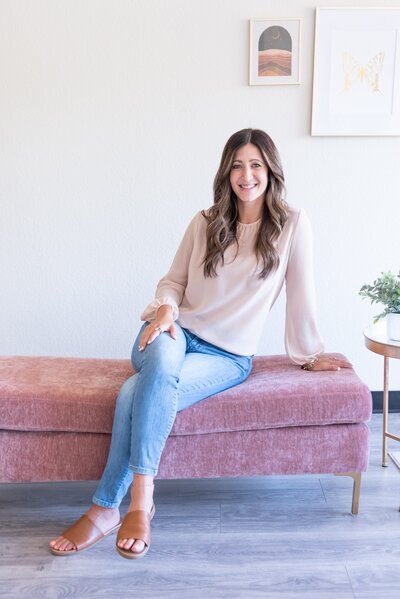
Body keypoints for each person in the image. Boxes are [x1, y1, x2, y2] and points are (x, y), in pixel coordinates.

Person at [49, 128, 351, 559]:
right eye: (236, 166)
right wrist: (167, 308)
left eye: (255, 165)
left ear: (271, 170)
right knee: (158, 366)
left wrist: (309, 355)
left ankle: (105, 509)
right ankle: (140, 503)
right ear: (226, 173)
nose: (246, 175)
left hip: (227, 357)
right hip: (173, 332)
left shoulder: (292, 225)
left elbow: (302, 294)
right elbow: (173, 282)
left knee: (134, 392)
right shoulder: (205, 222)